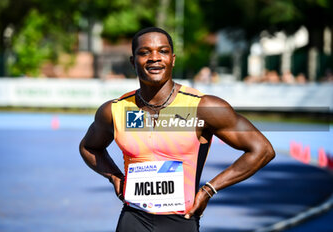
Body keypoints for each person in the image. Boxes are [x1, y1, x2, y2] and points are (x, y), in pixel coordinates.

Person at [79, 27, 275, 232]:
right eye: (145, 52)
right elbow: (89, 147)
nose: (154, 58)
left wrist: (209, 190)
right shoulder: (115, 110)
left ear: (172, 59)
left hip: (181, 221)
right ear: (132, 61)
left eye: (162, 51)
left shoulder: (203, 108)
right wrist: (114, 176)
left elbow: (262, 150)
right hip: (133, 218)